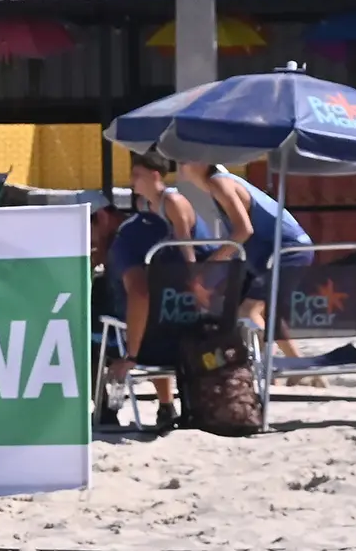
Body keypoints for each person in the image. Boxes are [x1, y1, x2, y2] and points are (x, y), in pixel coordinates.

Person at [103, 154, 211, 431]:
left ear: (155, 175)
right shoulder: (145, 205)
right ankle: (166, 405)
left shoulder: (172, 201)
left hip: (188, 275)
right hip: (169, 280)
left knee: (148, 310)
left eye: (137, 174)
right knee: (154, 314)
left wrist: (195, 284)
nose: (132, 180)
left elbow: (187, 247)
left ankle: (166, 402)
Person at [177, 159, 315, 368]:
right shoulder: (220, 184)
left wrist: (209, 266)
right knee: (255, 311)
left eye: (184, 158)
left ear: (203, 162)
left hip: (288, 251)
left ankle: (287, 368)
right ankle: (287, 367)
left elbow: (243, 231)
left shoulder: (219, 184)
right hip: (279, 252)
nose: (179, 162)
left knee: (250, 311)